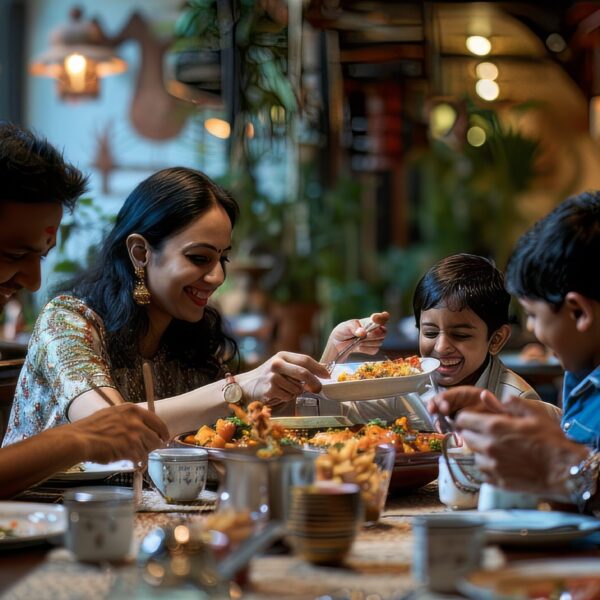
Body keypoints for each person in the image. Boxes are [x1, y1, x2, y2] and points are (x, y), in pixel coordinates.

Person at [3, 165, 388, 444]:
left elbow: (241, 428)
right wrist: (237, 386)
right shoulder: (68, 322)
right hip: (44, 525)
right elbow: (108, 425)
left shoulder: (186, 336)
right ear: (140, 253)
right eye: (200, 258)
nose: (217, 276)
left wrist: (329, 365)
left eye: (223, 259)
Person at [0, 121, 169, 498]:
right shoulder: (69, 317)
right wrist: (83, 436)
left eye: (41, 256)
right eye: (14, 254)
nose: (33, 281)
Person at [431, 192, 600, 511]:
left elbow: (573, 471)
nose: (533, 331)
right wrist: (510, 420)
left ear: (579, 312)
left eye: (534, 316)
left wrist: (570, 469)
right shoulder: (582, 375)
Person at [343, 253, 559, 424]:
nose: (442, 346)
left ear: (496, 339)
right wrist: (336, 353)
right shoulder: (404, 386)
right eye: (430, 333)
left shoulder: (517, 401)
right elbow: (335, 412)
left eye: (460, 335)